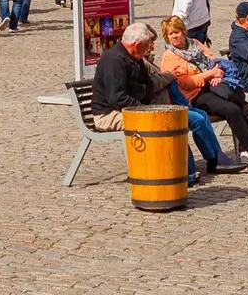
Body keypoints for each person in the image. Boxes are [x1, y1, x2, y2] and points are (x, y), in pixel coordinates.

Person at [94, 21, 227, 180]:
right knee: (162, 123)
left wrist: (145, 98)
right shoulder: (114, 61)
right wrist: (145, 110)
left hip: (132, 106)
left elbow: (148, 85)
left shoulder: (135, 57)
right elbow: (117, 98)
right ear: (137, 45)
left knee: (174, 120)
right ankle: (182, 173)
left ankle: (189, 170)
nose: (149, 49)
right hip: (109, 113)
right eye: (146, 46)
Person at [158, 15, 248, 167]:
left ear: (183, 32)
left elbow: (213, 61)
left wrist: (217, 74)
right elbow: (186, 83)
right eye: (170, 34)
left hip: (213, 87)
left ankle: (245, 152)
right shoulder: (169, 57)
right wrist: (210, 74)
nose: (174, 36)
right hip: (193, 96)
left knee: (247, 108)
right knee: (231, 109)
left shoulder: (195, 44)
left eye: (176, 32)